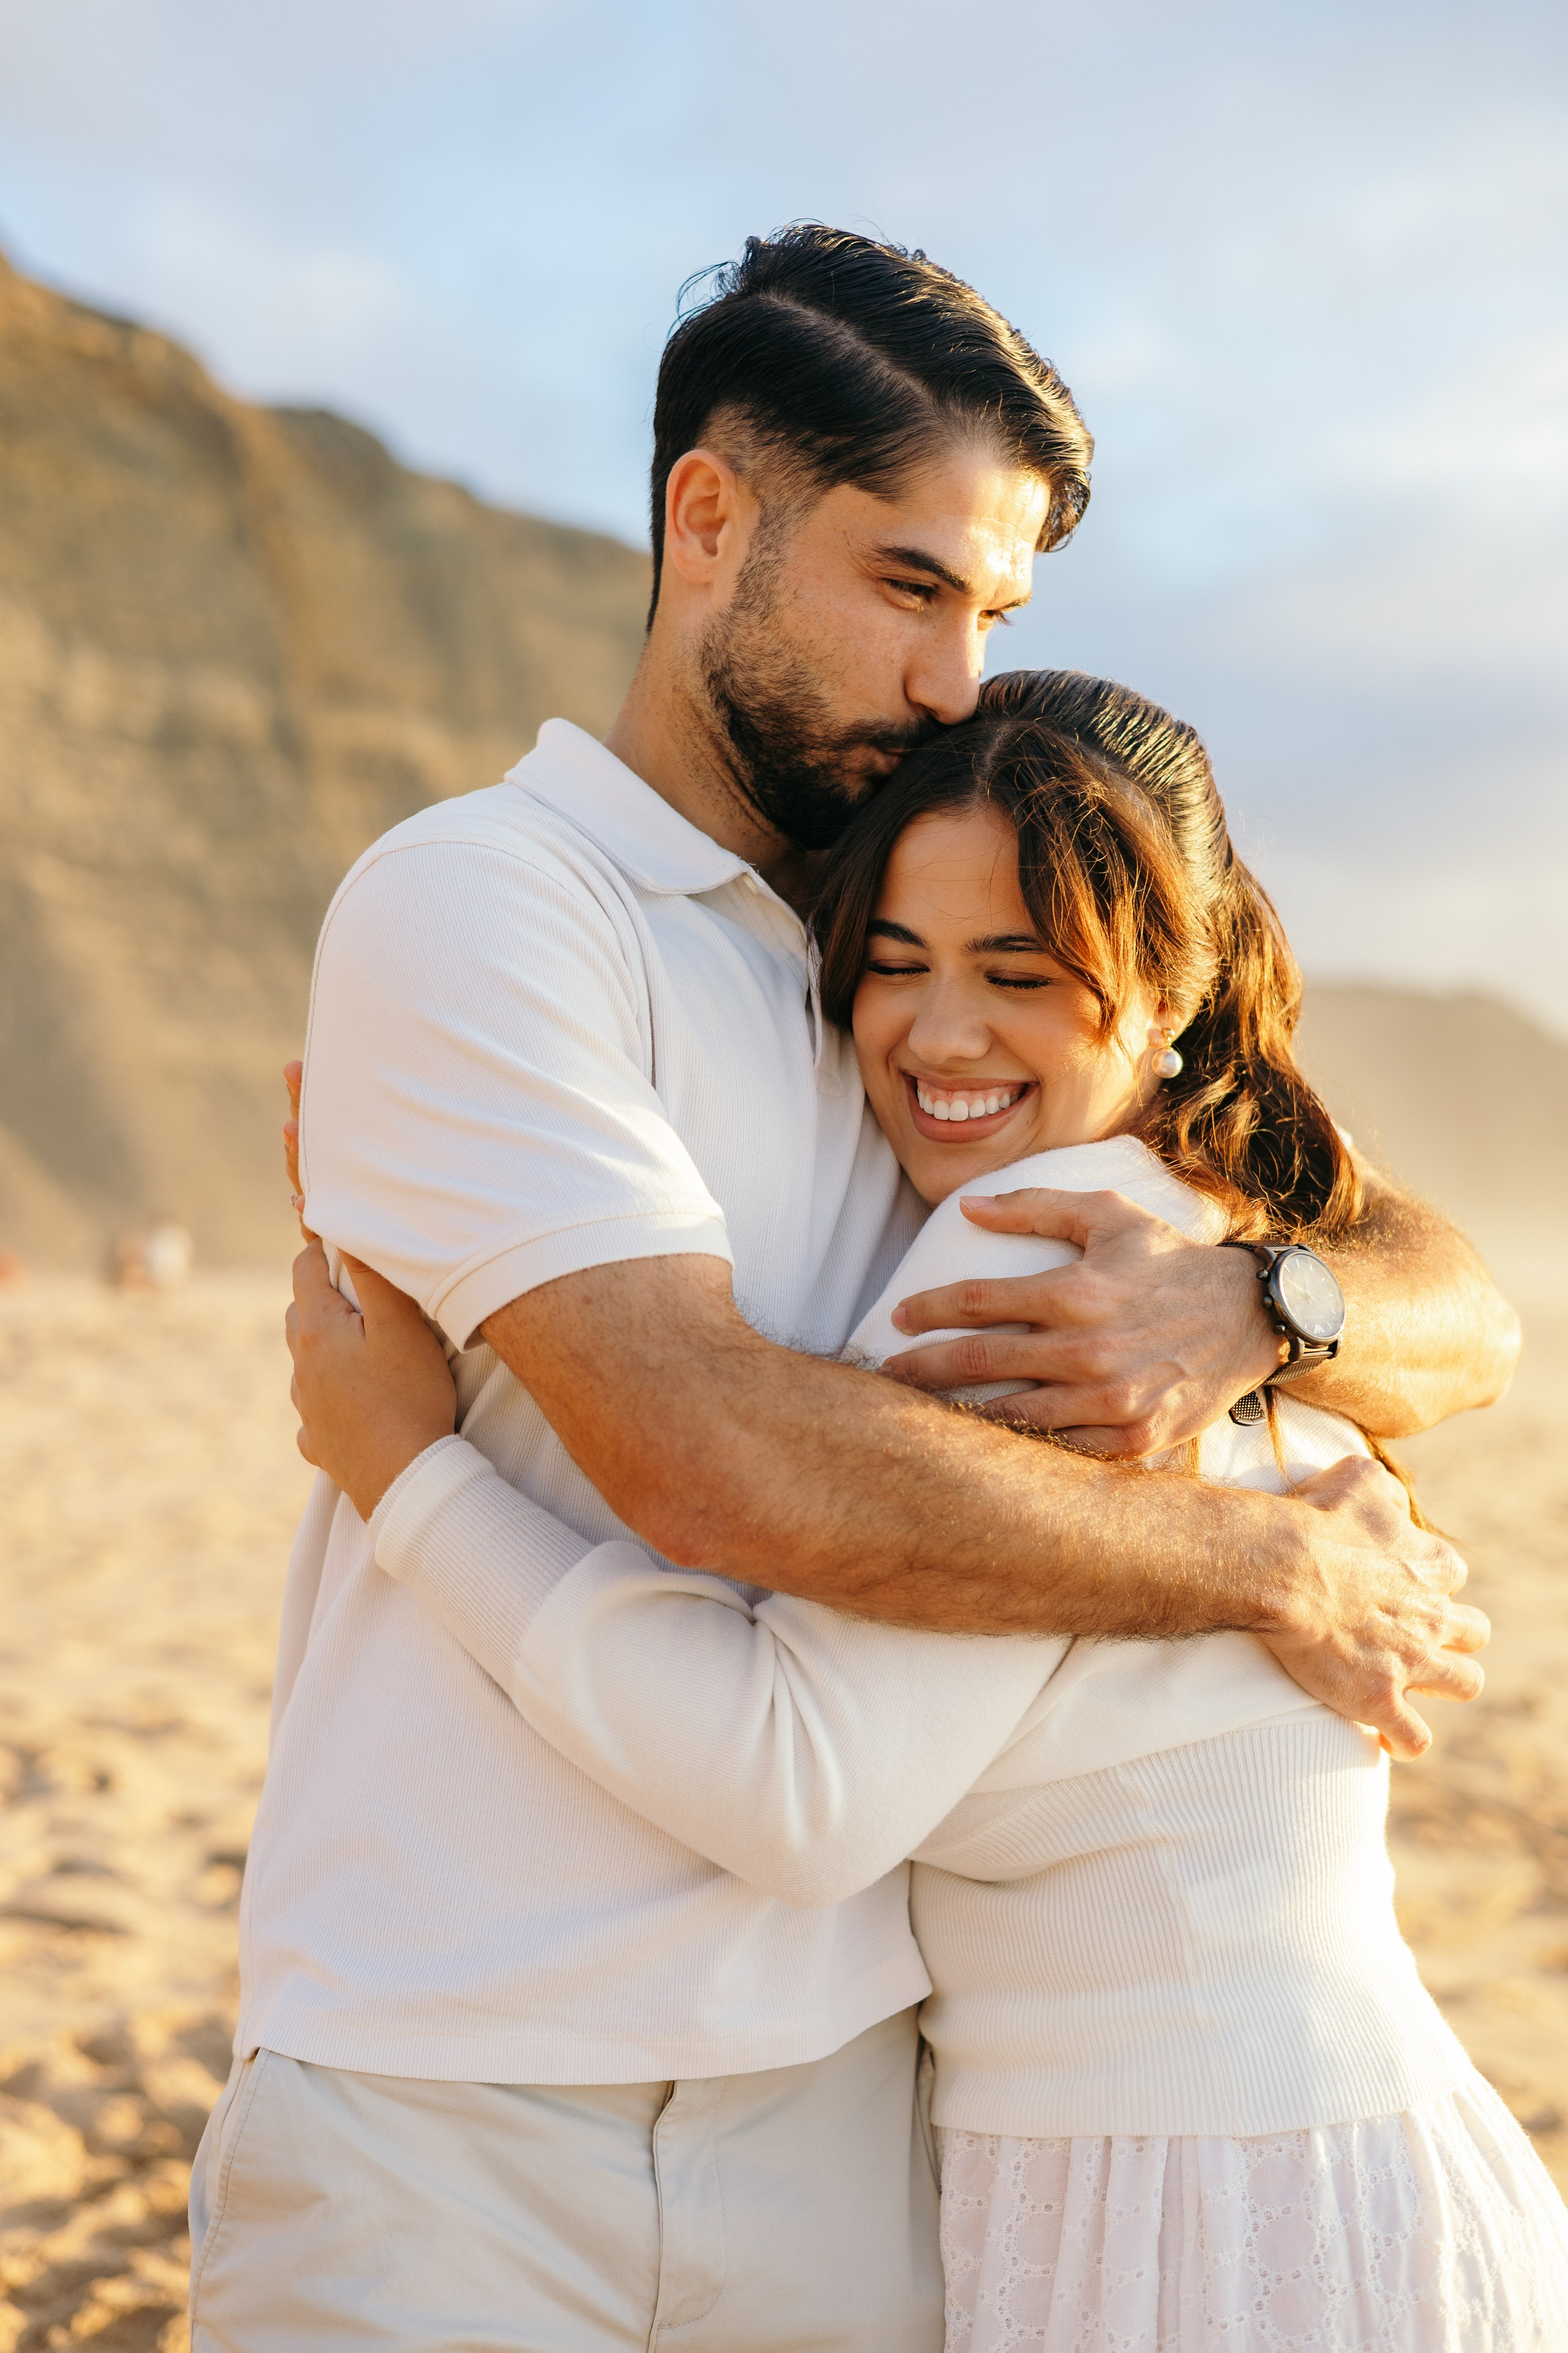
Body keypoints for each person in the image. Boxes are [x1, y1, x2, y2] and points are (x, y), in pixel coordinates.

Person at [192, 227, 1507, 2351]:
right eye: (909, 586)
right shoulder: (489, 904)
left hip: (847, 2119)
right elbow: (709, 1455)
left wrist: (1265, 1306)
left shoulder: (914, 937)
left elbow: (1433, 1272)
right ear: (707, 518)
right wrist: (1256, 1561)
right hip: (460, 2096)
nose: (956, 680)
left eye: (990, 612)